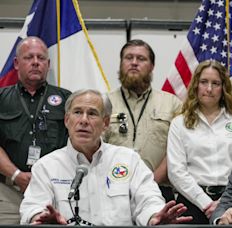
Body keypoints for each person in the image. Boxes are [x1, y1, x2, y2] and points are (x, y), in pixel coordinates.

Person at [19, 89, 192, 225]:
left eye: (92, 113)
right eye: (77, 112)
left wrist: (153, 215)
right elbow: (32, 207)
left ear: (106, 123)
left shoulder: (128, 160)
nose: (84, 120)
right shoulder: (46, 166)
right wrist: (40, 218)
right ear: (66, 120)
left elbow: (148, 199)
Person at [167, 60, 232, 224]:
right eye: (204, 82)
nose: (209, 89)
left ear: (223, 88)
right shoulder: (179, 123)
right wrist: (206, 203)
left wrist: (224, 203)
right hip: (191, 203)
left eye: (215, 83)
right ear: (195, 86)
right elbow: (176, 171)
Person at [0, 36, 71, 224]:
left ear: (48, 64)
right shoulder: (1, 98)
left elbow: (74, 146)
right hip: (8, 193)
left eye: (41, 58)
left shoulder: (67, 99)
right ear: (16, 63)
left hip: (54, 191)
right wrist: (17, 176)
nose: (35, 62)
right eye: (29, 57)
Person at [103, 39, 181, 201]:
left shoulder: (172, 103)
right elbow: (95, 147)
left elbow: (178, 150)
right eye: (128, 58)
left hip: (158, 189)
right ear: (120, 63)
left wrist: (151, 182)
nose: (134, 63)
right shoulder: (104, 102)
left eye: (141, 59)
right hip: (111, 189)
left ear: (152, 66)